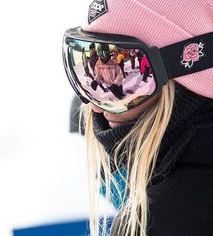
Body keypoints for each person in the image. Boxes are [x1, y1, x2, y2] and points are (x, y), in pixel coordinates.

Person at [62, 0, 213, 235]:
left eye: (122, 76)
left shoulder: (154, 221)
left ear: (187, 69)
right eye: (86, 69)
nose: (95, 107)